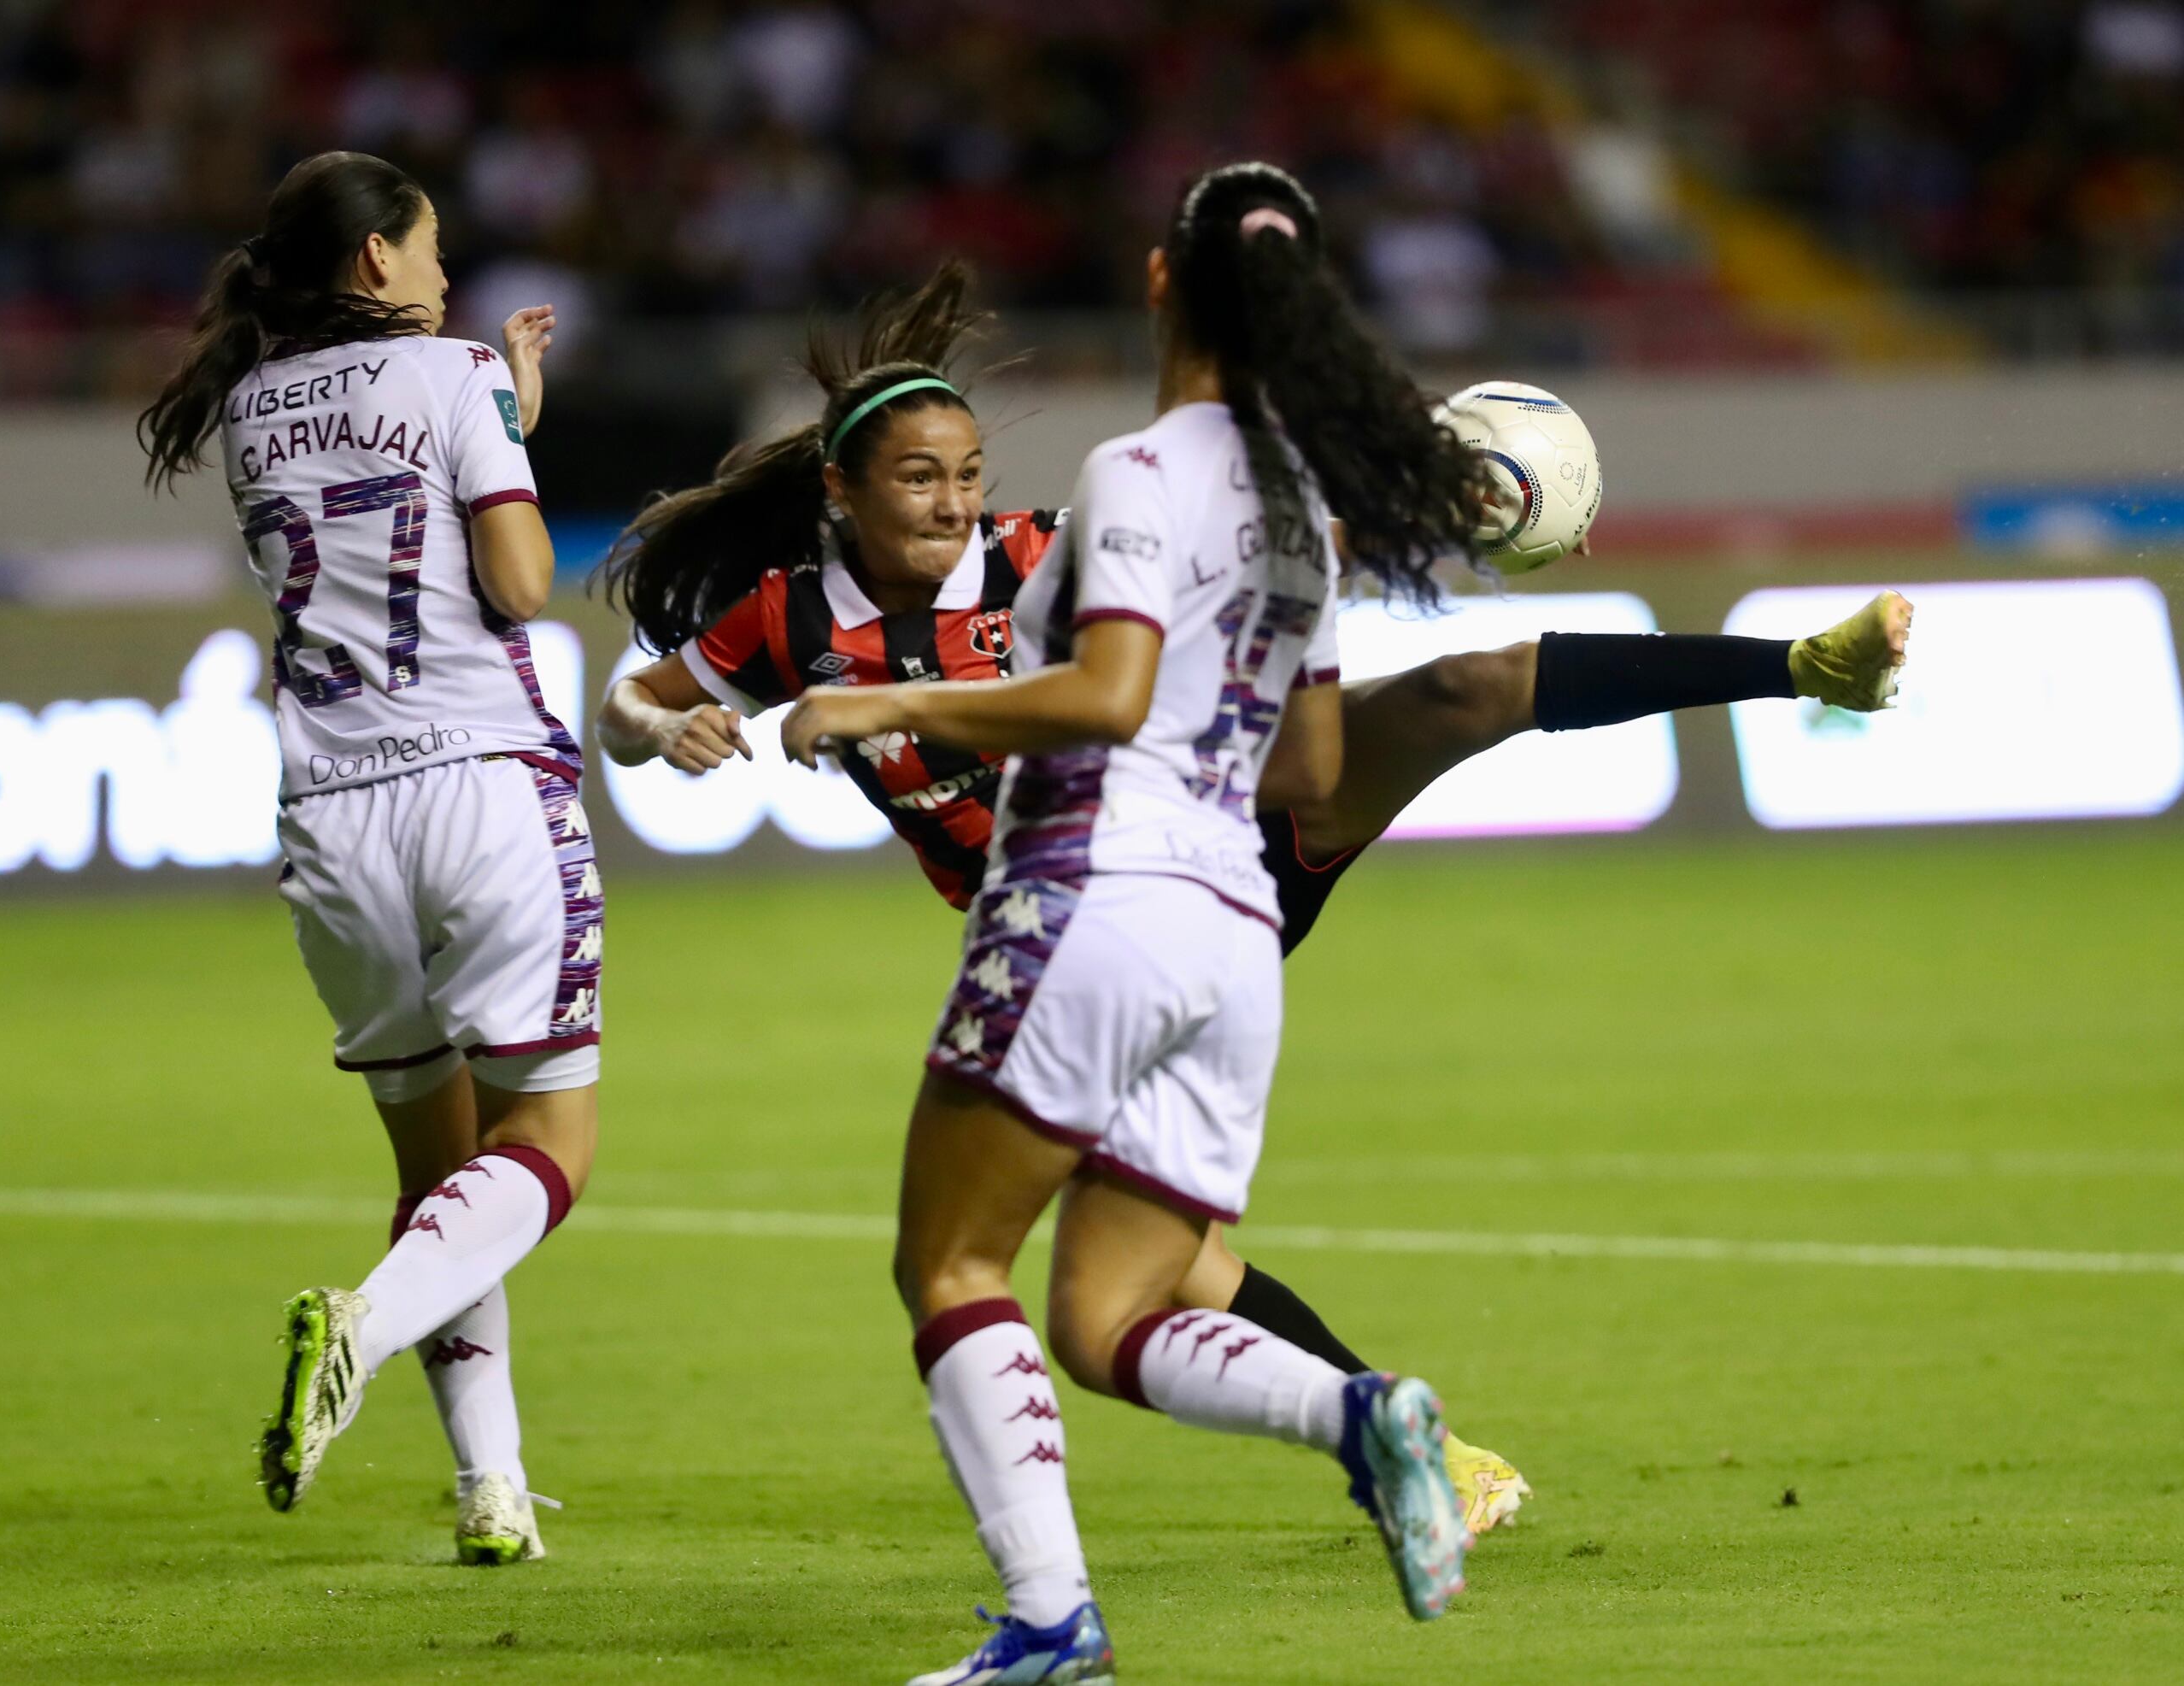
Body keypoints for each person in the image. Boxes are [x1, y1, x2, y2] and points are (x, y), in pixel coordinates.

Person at [597, 263, 1911, 1545]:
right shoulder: (783, 621)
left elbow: (1221, 563)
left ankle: (1806, 663)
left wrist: (1404, 510)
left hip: (1222, 842)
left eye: (968, 475)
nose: (953, 503)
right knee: (1168, 1267)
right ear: (841, 488)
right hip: (1068, 937)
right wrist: (673, 733)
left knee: (1466, 691)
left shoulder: (1040, 558)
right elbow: (632, 704)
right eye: (919, 479)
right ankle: (1419, 1444)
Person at [754, 159, 1483, 1677]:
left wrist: (888, 696)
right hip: (1231, 936)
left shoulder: (1141, 470)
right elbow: (1319, 766)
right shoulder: (1300, 511)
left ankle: (1047, 1622)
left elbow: (1107, 696)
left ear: (1163, 282)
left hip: (1094, 893)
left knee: (951, 1265)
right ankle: (1360, 1410)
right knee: (1105, 1317)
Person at [138, 150, 590, 1567]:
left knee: (435, 1168)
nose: (450, 272)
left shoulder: (249, 414)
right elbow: (518, 583)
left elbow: (362, 502)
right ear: (376, 263)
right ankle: (362, 1324)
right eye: (433, 245)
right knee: (545, 1144)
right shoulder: (453, 374)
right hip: (478, 787)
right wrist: (509, 422)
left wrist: (490, 408)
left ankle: (493, 1488)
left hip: (332, 818)